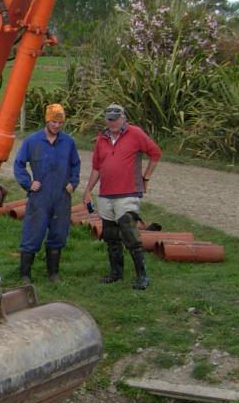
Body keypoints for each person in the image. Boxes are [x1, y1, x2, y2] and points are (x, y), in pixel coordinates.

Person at [82, 103, 162, 290]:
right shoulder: (101, 139)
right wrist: (87, 191)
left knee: (129, 230)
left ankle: (142, 276)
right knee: (110, 235)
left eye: (116, 119)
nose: (112, 123)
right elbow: (97, 168)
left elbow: (155, 153)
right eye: (109, 119)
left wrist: (146, 177)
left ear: (123, 118)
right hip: (106, 194)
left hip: (128, 192)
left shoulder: (136, 133)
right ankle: (116, 273)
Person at [12, 103, 80, 284]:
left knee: (58, 234)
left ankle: (53, 273)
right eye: (53, 122)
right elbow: (19, 164)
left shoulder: (68, 142)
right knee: (33, 233)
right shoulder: (32, 141)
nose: (57, 126)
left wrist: (73, 183)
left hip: (61, 197)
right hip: (40, 196)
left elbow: (76, 164)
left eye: (60, 123)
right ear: (47, 120)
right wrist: (28, 183)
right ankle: (25, 274)